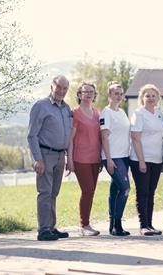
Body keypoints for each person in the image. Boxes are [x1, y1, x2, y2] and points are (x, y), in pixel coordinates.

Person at [27, 75, 72, 241]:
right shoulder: (41, 106)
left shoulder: (66, 108)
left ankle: (51, 227)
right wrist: (37, 159)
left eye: (64, 88)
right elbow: (32, 135)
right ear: (52, 87)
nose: (61, 91)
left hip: (60, 155)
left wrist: (68, 157)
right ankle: (44, 230)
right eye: (58, 87)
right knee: (45, 192)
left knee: (54, 192)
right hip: (45, 155)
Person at [130, 84, 163, 236]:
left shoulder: (158, 113)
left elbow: (161, 137)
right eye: (147, 95)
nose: (150, 98)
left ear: (158, 98)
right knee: (142, 192)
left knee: (151, 192)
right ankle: (143, 225)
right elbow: (135, 138)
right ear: (142, 98)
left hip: (157, 159)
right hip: (141, 159)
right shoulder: (138, 114)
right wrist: (142, 161)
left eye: (153, 95)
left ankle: (150, 224)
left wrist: (162, 159)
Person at [67, 82, 102, 236]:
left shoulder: (97, 113)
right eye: (85, 91)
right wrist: (69, 159)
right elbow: (70, 138)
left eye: (91, 92)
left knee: (91, 191)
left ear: (95, 95)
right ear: (79, 94)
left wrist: (102, 157)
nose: (88, 94)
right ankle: (84, 226)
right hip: (80, 158)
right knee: (87, 190)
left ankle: (86, 223)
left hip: (95, 158)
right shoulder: (75, 113)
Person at [100, 81, 131, 236]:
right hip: (113, 157)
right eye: (115, 93)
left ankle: (112, 224)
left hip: (125, 156)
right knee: (125, 188)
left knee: (115, 189)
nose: (118, 96)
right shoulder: (106, 113)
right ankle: (117, 225)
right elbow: (104, 138)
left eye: (120, 93)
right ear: (109, 95)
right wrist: (109, 159)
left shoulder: (122, 112)